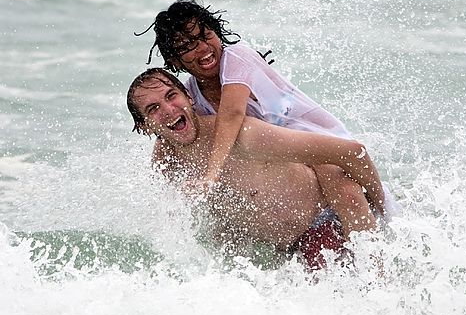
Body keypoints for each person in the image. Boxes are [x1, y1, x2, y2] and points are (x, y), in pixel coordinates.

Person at [137, 0, 390, 238]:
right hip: (292, 166)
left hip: (320, 144)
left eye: (205, 36)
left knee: (347, 192)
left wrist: (211, 176)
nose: (202, 48)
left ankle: (385, 219)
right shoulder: (189, 95)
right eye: (187, 46)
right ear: (174, 61)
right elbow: (169, 137)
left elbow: (232, 114)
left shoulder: (237, 57)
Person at [127, 68, 386, 269]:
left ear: (189, 98)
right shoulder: (166, 164)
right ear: (145, 127)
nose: (169, 110)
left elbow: (352, 152)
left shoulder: (243, 136)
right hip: (280, 249)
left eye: (172, 96)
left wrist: (383, 208)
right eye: (153, 109)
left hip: (325, 223)